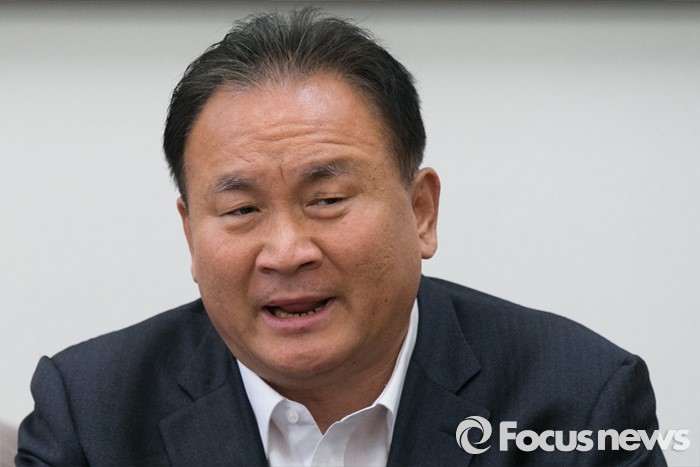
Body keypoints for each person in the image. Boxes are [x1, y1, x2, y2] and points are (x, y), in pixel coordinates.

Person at [16, 8, 665, 466]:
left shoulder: (579, 402)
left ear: (421, 211)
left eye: (326, 200)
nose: (287, 252)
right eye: (241, 209)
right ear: (190, 234)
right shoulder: (89, 413)